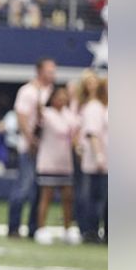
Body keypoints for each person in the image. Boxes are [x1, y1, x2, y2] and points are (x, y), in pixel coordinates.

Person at [8, 57, 55, 237]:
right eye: (49, 71)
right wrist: (30, 140)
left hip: (47, 149)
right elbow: (21, 116)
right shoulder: (28, 91)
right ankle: (14, 227)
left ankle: (34, 227)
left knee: (39, 190)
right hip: (29, 147)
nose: (53, 74)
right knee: (24, 187)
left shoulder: (50, 91)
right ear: (39, 71)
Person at [34, 85, 79, 240]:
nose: (62, 99)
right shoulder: (47, 114)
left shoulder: (69, 115)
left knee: (68, 196)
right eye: (58, 96)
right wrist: (39, 96)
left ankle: (67, 230)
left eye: (64, 96)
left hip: (65, 162)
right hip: (48, 161)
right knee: (47, 195)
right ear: (52, 98)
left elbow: (75, 133)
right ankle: (41, 229)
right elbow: (38, 114)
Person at [77, 72, 108, 244]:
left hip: (108, 160)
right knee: (95, 198)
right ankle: (90, 231)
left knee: (104, 199)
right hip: (97, 162)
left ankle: (102, 231)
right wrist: (99, 156)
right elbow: (93, 133)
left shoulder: (105, 107)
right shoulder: (94, 107)